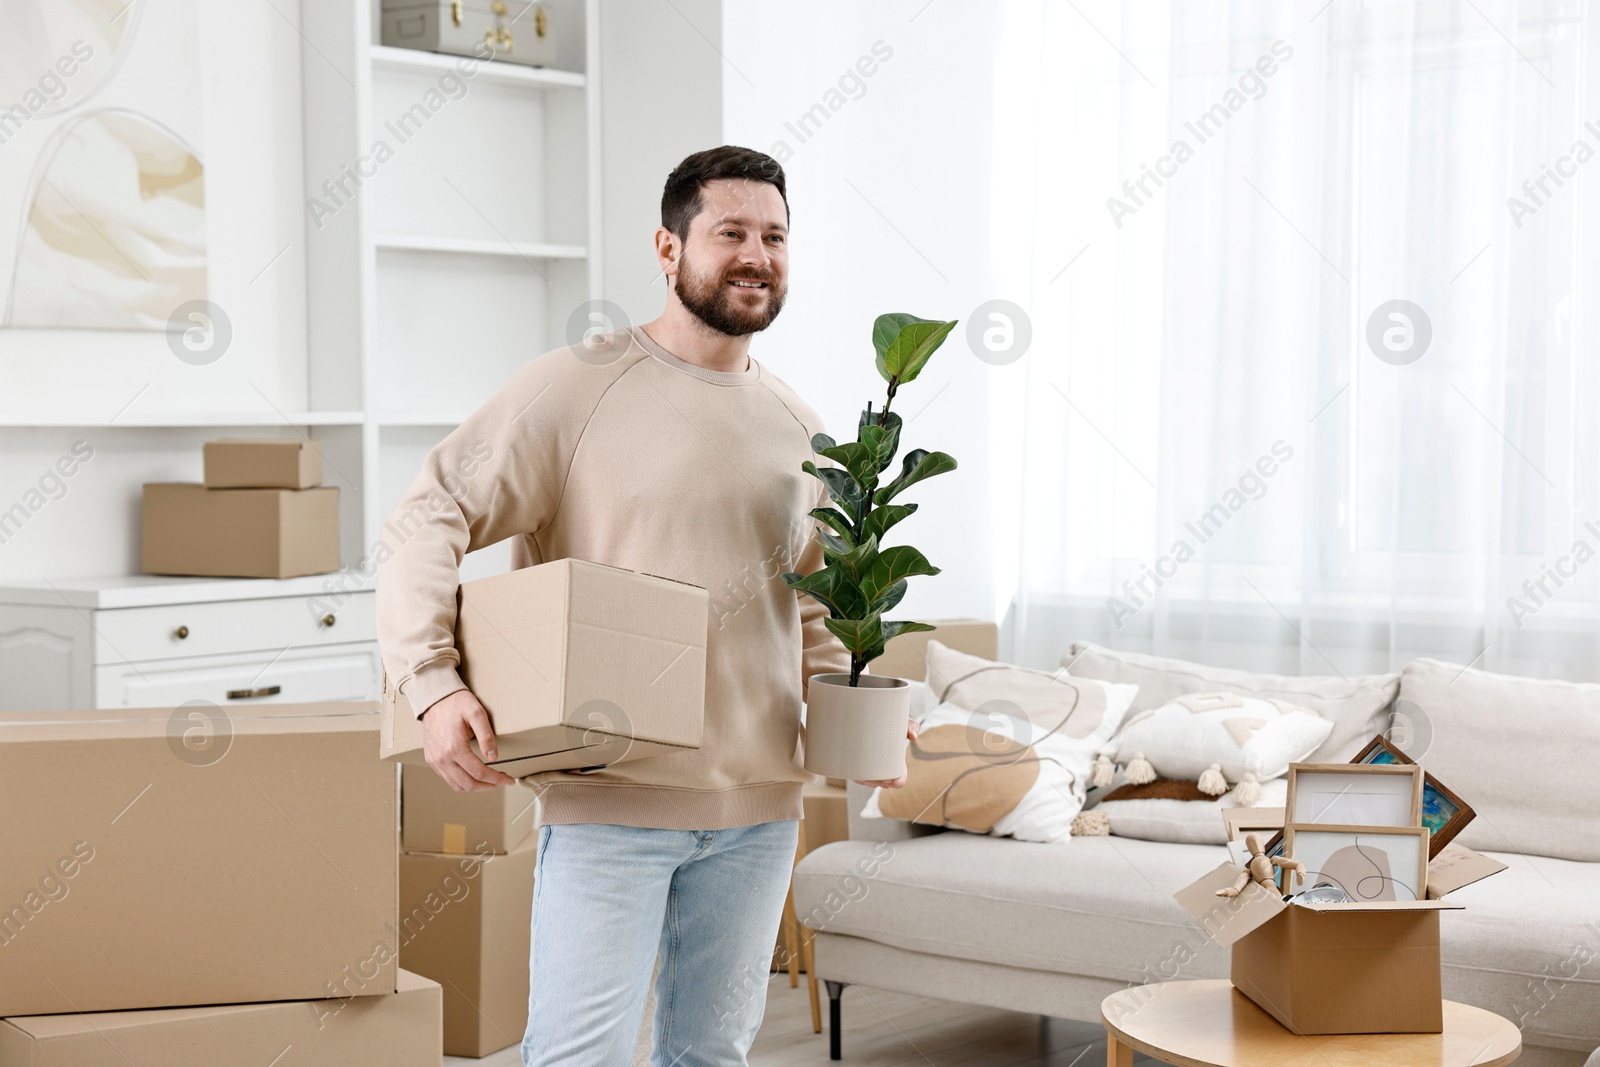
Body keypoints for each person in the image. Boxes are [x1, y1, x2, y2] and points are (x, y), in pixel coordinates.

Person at [375, 144, 917, 1067]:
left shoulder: (801, 426)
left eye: (776, 236)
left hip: (758, 814)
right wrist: (430, 682)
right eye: (731, 232)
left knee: (712, 1059)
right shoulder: (574, 389)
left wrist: (861, 720)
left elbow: (822, 611)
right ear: (668, 249)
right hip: (611, 805)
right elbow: (431, 511)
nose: (757, 254)